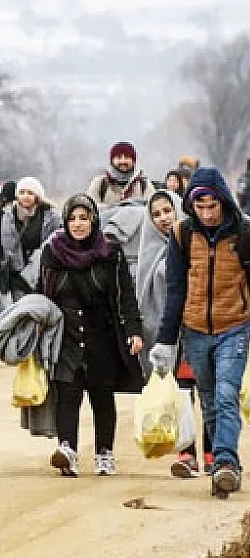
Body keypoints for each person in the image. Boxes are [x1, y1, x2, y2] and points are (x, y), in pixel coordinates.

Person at [150, 167, 250, 498]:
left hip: (233, 326)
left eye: (213, 206)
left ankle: (225, 463)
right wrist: (165, 341)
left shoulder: (243, 233)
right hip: (194, 330)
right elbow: (175, 290)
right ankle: (220, 460)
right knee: (208, 398)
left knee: (225, 394)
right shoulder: (182, 235)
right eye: (200, 207)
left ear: (224, 202)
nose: (207, 214)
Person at [36, 193, 144, 477]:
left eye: (84, 218)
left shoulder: (109, 253)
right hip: (66, 335)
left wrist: (133, 330)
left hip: (102, 336)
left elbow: (125, 295)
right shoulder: (53, 252)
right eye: (72, 218)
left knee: (102, 396)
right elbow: (41, 294)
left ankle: (104, 453)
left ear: (93, 220)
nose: (78, 224)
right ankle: (67, 450)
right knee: (67, 395)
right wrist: (35, 324)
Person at [135, 190, 212, 478]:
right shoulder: (148, 249)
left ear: (179, 210)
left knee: (209, 392)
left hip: (199, 328)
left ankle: (213, 452)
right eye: (156, 214)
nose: (164, 218)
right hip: (168, 336)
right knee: (181, 394)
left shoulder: (194, 241)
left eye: (168, 210)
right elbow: (144, 293)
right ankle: (186, 453)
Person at [0, 177, 61, 300]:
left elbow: (58, 241)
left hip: (43, 272)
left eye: (30, 193)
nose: (26, 196)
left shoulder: (51, 216)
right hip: (16, 274)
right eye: (22, 192)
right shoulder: (7, 215)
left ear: (37, 196)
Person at [87, 141, 155, 204]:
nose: (123, 161)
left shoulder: (144, 185)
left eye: (127, 157)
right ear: (112, 160)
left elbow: (154, 208)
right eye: (119, 157)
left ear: (133, 161)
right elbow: (91, 209)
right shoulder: (99, 184)